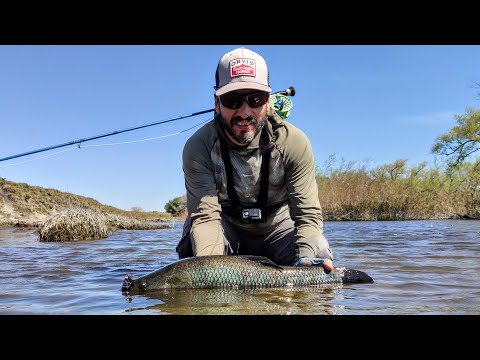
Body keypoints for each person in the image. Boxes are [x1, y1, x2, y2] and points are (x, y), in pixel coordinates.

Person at [176, 47, 333, 271]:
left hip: (279, 228)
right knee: (193, 260)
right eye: (232, 100)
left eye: (256, 99)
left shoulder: (294, 143)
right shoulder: (198, 147)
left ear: (268, 101)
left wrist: (305, 258)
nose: (245, 112)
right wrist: (210, 272)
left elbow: (307, 214)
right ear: (216, 102)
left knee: (318, 255)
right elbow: (205, 217)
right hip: (225, 227)